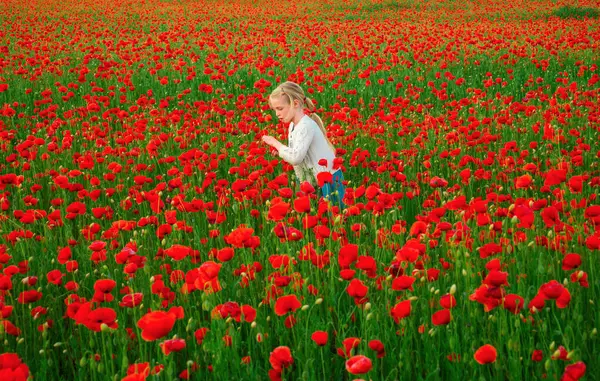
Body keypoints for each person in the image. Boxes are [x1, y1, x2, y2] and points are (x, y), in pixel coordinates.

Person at [261, 81, 345, 210]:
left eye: (280, 108)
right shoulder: (293, 126)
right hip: (316, 181)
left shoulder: (306, 126)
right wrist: (281, 152)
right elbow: (298, 152)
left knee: (334, 217)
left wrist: (276, 143)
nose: (277, 114)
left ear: (295, 103)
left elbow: (296, 158)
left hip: (329, 180)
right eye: (275, 110)